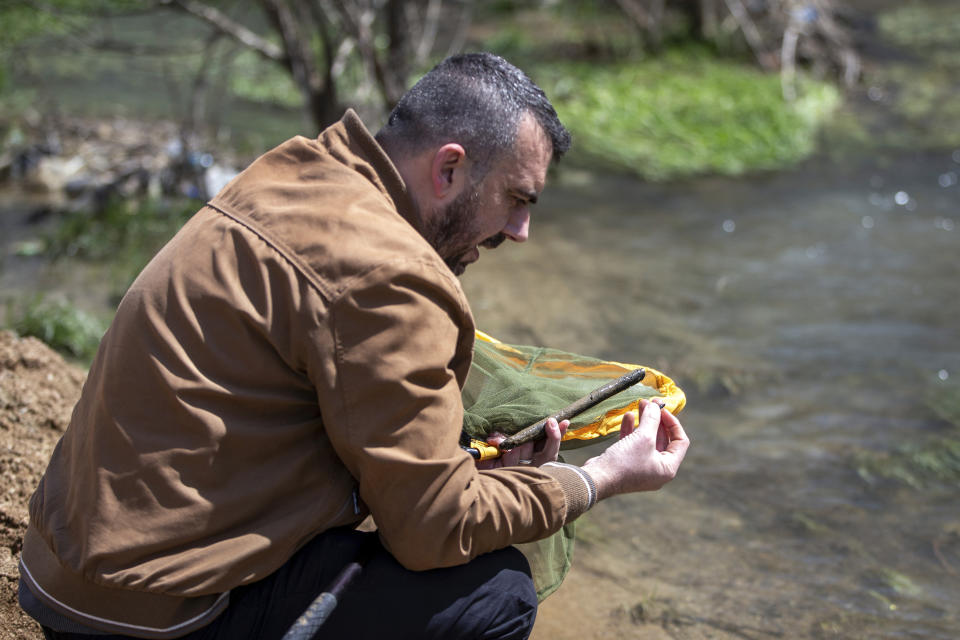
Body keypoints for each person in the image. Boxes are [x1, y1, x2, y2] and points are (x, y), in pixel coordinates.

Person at [18, 52, 689, 640]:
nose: (521, 231)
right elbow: (431, 531)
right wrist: (593, 479)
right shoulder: (390, 275)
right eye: (516, 198)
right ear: (450, 169)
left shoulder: (293, 174)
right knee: (494, 595)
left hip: (62, 578)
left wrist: (474, 472)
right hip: (150, 620)